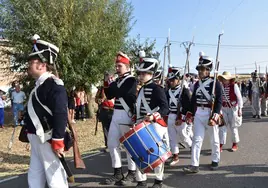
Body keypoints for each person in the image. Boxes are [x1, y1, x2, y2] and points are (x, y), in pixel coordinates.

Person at [24, 34, 68, 188]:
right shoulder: (39, 86)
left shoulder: (54, 85)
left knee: (55, 178)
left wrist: (58, 139)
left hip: (48, 139)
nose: (29, 64)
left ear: (43, 64)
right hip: (37, 139)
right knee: (35, 175)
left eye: (32, 61)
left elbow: (61, 113)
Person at [183, 55, 222, 173]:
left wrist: (215, 116)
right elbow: (193, 100)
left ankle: (215, 160)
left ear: (208, 70)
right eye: (199, 69)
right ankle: (194, 164)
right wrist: (190, 113)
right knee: (196, 139)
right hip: (199, 113)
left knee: (214, 139)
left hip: (210, 113)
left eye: (202, 69)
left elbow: (219, 101)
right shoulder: (197, 84)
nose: (200, 71)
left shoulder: (215, 83)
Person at [134, 57, 169, 188]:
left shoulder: (157, 89)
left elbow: (165, 108)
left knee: (156, 153)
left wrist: (154, 116)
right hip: (142, 124)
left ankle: (158, 180)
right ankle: (141, 180)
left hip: (155, 124)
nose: (141, 75)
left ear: (151, 74)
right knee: (139, 152)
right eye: (140, 73)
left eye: (144, 73)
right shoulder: (141, 89)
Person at [103, 51, 137, 185]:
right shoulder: (117, 81)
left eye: (120, 66)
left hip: (126, 114)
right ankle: (117, 172)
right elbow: (110, 95)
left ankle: (131, 172)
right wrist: (107, 81)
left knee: (129, 146)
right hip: (116, 113)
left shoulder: (131, 80)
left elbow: (121, 92)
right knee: (112, 143)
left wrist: (112, 83)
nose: (117, 68)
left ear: (127, 67)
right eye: (116, 66)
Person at [166, 66, 192, 166]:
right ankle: (175, 156)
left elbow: (189, 106)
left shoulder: (184, 91)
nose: (171, 82)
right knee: (172, 137)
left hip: (181, 117)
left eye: (174, 80)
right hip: (170, 116)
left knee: (183, 135)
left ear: (179, 79)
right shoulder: (167, 91)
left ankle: (192, 147)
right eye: (170, 80)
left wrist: (182, 117)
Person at [218, 71, 243, 152]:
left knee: (233, 127)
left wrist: (240, 109)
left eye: (226, 79)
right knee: (222, 127)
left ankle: (235, 144)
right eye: (224, 79)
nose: (225, 80)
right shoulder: (221, 86)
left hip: (233, 109)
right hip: (223, 109)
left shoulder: (234, 86)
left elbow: (239, 98)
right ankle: (220, 144)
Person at [95, 76, 114, 150]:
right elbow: (96, 99)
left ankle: (116, 143)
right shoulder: (101, 89)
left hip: (114, 110)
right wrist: (101, 100)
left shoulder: (115, 88)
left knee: (114, 129)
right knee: (105, 128)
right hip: (105, 111)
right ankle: (108, 144)